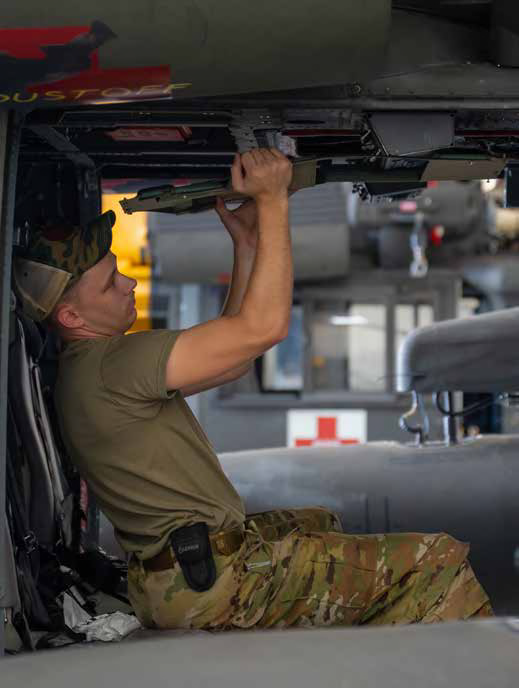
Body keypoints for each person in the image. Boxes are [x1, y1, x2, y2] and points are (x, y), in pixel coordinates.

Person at [13, 148, 493, 629]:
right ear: (70, 317)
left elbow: (234, 359)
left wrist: (247, 245)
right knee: (436, 561)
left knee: (318, 523)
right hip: (214, 585)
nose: (127, 284)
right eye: (109, 284)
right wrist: (273, 201)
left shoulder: (89, 370)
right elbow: (264, 328)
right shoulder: (115, 364)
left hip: (186, 581)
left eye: (118, 271)